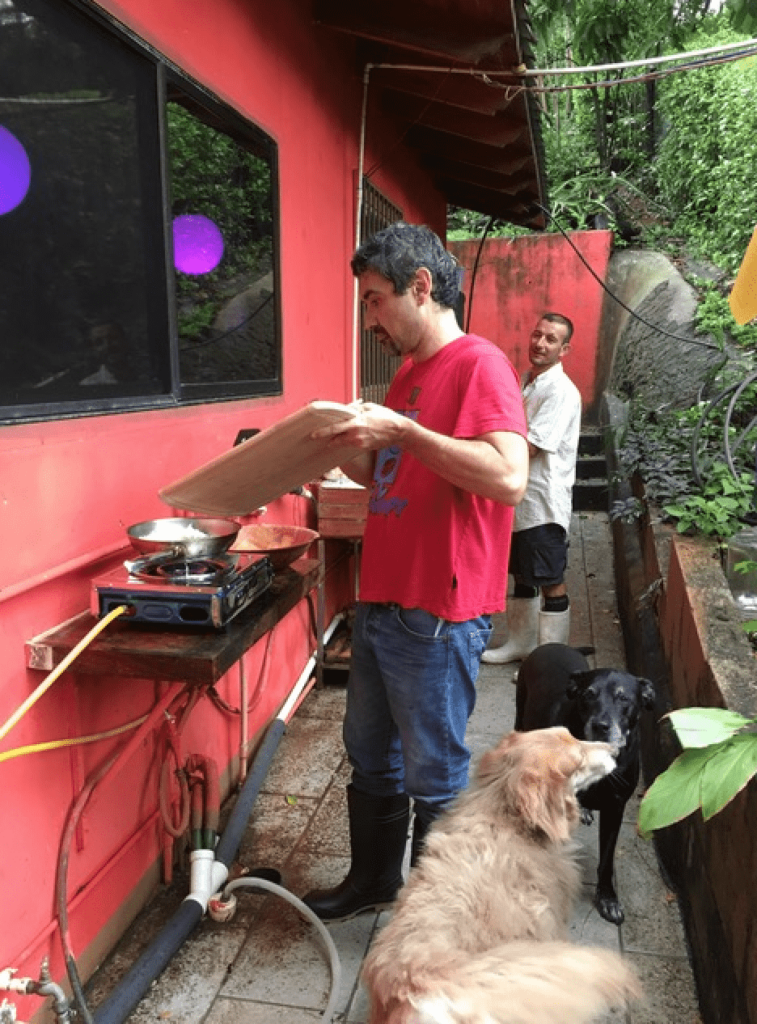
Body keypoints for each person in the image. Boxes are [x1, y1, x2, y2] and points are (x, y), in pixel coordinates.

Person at [303, 222, 529, 920]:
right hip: (382, 598)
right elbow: (389, 476)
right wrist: (330, 448)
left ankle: (439, 913)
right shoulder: (407, 374)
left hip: (437, 609)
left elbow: (508, 478)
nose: (369, 316)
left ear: (421, 287)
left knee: (434, 771)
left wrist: (402, 429)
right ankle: (374, 882)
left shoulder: (478, 364)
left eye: (374, 300)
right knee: (369, 754)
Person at [481, 312, 581, 665]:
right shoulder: (527, 381)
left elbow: (530, 447)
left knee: (550, 577)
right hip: (518, 499)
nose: (540, 343)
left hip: (542, 502)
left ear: (564, 348)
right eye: (537, 334)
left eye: (551, 339)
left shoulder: (561, 392)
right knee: (522, 575)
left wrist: (481, 455)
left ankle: (550, 660)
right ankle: (520, 646)